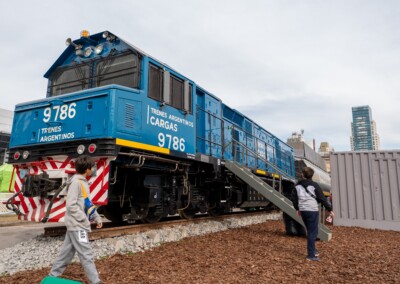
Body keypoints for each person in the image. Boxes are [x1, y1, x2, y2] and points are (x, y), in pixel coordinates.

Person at [49, 155, 103, 284]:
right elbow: (71, 205)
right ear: (87, 169)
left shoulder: (82, 182)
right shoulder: (76, 183)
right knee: (86, 254)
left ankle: (52, 276)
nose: (94, 169)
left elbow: (86, 203)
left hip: (76, 224)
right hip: (78, 225)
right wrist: (84, 219)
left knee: (66, 254)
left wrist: (96, 217)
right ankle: (95, 282)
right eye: (93, 166)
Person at [292, 166, 334, 261]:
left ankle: (313, 250)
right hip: (312, 210)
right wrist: (330, 209)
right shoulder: (314, 185)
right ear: (312, 175)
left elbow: (294, 198)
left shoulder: (297, 186)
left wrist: (297, 208)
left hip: (303, 210)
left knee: (310, 230)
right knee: (312, 232)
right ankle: (311, 255)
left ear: (303, 175)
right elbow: (322, 198)